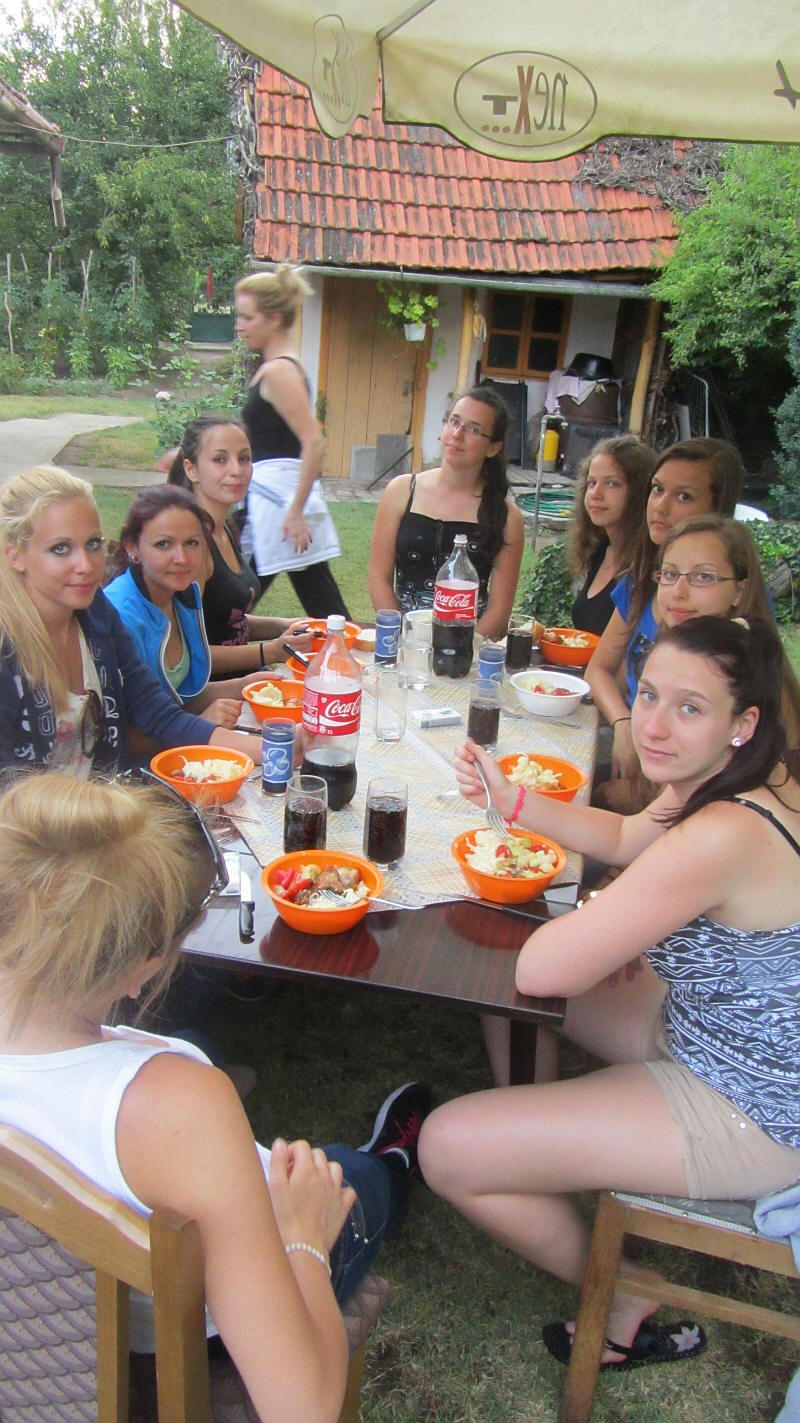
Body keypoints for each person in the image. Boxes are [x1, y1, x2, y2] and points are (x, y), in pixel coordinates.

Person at [421, 615, 800, 1375]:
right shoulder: (749, 780)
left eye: (689, 708)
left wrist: (608, 916)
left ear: (743, 722)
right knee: (491, 965)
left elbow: (545, 970)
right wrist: (512, 800)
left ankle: (625, 1290)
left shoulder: (722, 831)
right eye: (648, 694)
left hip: (751, 1105)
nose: (653, 726)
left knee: (445, 1146)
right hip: (710, 1025)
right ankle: (536, 1137)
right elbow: (627, 839)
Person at [0, 769, 431, 1419]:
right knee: (349, 1181)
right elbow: (304, 1408)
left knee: (193, 1041)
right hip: (197, 1332)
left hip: (51, 1335)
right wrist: (305, 1239)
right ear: (140, 966)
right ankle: (392, 1163)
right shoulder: (185, 1105)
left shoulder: (166, 1092)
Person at [0, 467, 263, 774]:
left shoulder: (96, 614)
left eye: (93, 544)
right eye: (60, 549)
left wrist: (281, 748)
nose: (86, 565)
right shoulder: (8, 649)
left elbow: (161, 716)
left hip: (115, 794)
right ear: (15, 556)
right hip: (63, 806)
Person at [586, 437, 743, 785]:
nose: (661, 506)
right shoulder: (642, 578)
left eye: (684, 496)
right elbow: (598, 669)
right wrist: (623, 724)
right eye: (657, 490)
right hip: (632, 740)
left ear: (717, 509)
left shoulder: (728, 598)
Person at [104, 485, 278, 727]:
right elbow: (125, 733)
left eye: (192, 543)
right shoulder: (120, 616)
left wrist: (244, 685)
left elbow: (179, 698)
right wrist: (201, 723)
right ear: (132, 546)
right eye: (163, 544)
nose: (182, 558)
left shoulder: (181, 594)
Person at [234, 266, 350, 617]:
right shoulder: (277, 368)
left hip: (277, 504)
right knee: (321, 600)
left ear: (273, 318)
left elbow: (314, 442)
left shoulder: (279, 372)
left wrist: (295, 511)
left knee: (233, 603)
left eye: (247, 317)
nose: (239, 325)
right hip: (270, 500)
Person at [367, 386, 525, 640]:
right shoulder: (402, 491)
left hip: (469, 648)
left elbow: (500, 609)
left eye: (474, 429)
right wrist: (405, 637)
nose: (458, 434)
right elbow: (378, 579)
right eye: (454, 421)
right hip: (403, 642)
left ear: (493, 448)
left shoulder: (507, 517)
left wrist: (462, 650)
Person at [654, 515, 800, 774]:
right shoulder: (683, 651)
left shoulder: (748, 672)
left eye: (703, 576)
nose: (678, 591)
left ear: (740, 591)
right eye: (670, 574)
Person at [167, 416, 312, 675]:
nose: (236, 470)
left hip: (249, 679)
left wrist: (286, 625)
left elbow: (226, 620)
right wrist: (271, 651)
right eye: (220, 459)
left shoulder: (224, 528)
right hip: (219, 692)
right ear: (191, 469)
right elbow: (188, 654)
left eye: (244, 458)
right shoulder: (192, 546)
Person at [568, 435, 654, 635]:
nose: (596, 494)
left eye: (612, 484)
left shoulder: (647, 564)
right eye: (591, 483)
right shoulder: (599, 550)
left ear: (640, 491)